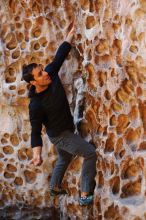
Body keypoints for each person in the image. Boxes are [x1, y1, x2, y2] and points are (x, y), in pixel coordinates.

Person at [22, 22, 97, 206]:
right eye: (40, 74)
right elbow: (35, 131)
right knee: (89, 153)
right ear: (33, 83)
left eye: (42, 69)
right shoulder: (36, 105)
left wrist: (70, 34)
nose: (45, 73)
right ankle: (85, 194)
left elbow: (60, 55)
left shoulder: (51, 73)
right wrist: (37, 154)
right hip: (60, 135)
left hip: (66, 126)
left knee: (64, 157)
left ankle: (55, 187)